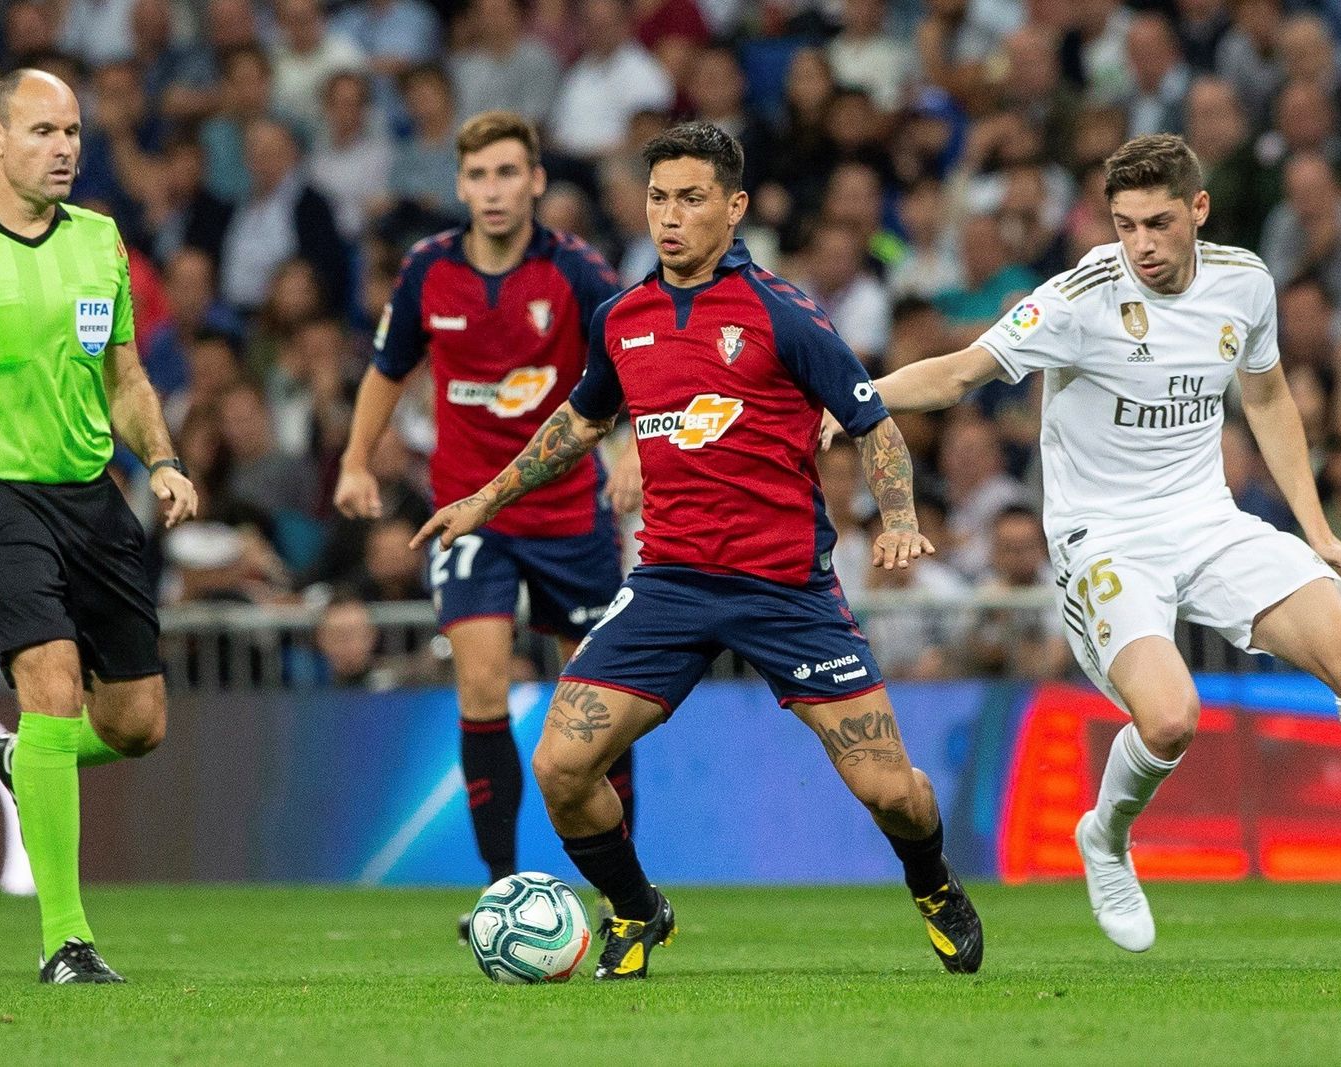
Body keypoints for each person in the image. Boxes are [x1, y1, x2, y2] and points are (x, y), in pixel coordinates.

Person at [839, 134, 1341, 956]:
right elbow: (957, 373)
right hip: (1106, 540)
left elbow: (1268, 394)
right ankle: (1104, 832)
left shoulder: (1244, 282)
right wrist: (848, 399)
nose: (1141, 245)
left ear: (1197, 210)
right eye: (1125, 224)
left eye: (1159, 223)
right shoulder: (1078, 297)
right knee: (1170, 720)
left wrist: (1317, 533)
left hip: (1207, 518)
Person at [410, 121, 983, 981]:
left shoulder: (782, 313)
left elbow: (874, 421)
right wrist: (484, 500)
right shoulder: (623, 318)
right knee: (562, 766)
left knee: (890, 792)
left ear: (734, 205)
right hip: (670, 582)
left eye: (690, 198)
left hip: (785, 587)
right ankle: (638, 910)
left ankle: (933, 884)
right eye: (657, 198)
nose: (669, 216)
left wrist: (896, 511)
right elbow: (577, 422)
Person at [335, 111, 642, 932]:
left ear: (536, 180)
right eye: (479, 176)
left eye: (509, 173)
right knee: (480, 682)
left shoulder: (578, 272)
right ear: (459, 184)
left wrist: (632, 453)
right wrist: (356, 459)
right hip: (470, 512)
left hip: (568, 511)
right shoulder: (427, 271)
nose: (494, 190)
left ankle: (626, 896)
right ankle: (502, 885)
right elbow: (386, 369)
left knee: (600, 708)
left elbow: (637, 365)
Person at [0, 69, 199, 983]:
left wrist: (160, 459)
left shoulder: (100, 242)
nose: (66, 148)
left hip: (91, 492)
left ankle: (27, 757)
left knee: (135, 724)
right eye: (44, 130)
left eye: (75, 131)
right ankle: (66, 941)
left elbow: (123, 378)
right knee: (50, 689)